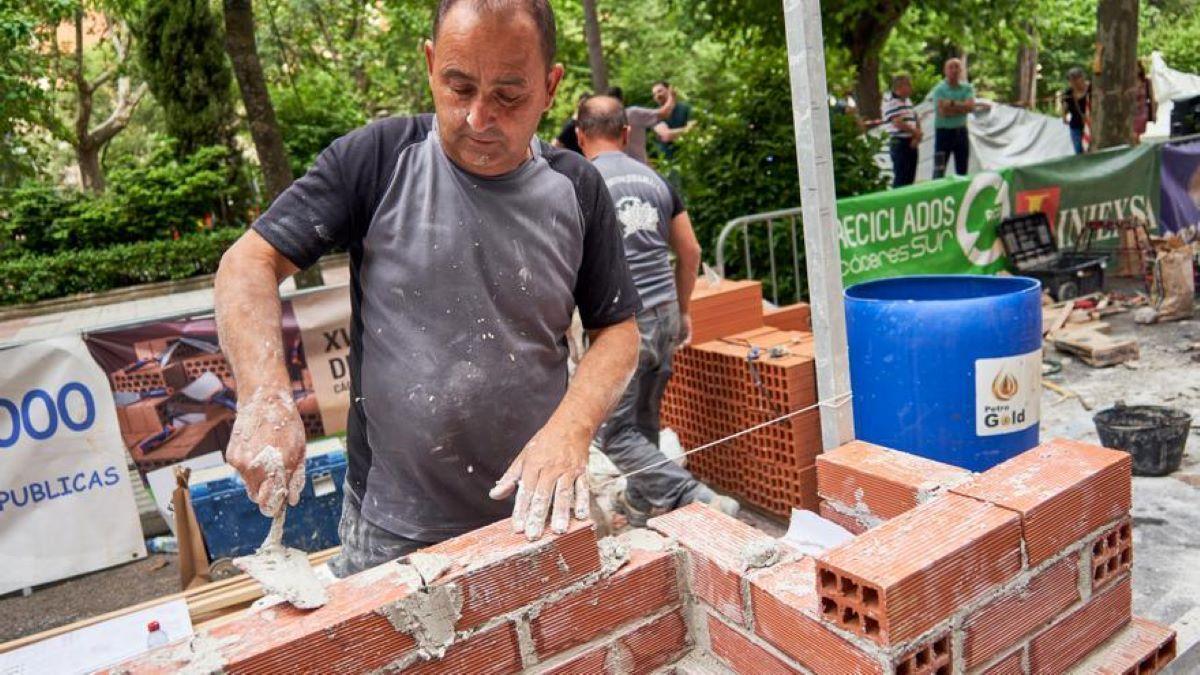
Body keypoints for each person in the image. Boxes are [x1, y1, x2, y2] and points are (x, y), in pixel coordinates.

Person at [213, 0, 642, 578]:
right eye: (458, 87)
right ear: (431, 64)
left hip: (538, 509)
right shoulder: (377, 161)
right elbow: (248, 264)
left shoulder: (576, 187)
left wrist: (572, 429)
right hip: (392, 525)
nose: (478, 118)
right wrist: (264, 395)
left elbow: (617, 329)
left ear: (549, 86)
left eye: (509, 96)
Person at [574, 95, 738, 525]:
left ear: (579, 135)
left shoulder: (580, 182)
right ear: (627, 133)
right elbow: (691, 250)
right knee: (642, 420)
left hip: (623, 323)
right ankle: (643, 504)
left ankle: (692, 496)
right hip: (664, 312)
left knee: (610, 429)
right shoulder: (655, 179)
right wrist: (683, 312)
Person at [931, 58, 976, 178]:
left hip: (961, 132)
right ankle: (936, 192)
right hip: (943, 133)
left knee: (962, 168)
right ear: (945, 71)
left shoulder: (967, 88)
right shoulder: (939, 90)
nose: (954, 70)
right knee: (939, 169)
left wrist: (950, 103)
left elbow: (971, 107)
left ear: (961, 70)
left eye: (957, 67)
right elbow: (942, 112)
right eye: (951, 67)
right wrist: (962, 107)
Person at [613, 85, 676, 164]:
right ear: (622, 98)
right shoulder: (632, 114)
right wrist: (672, 96)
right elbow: (663, 113)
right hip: (637, 165)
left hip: (618, 166)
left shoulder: (604, 122)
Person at [883, 74, 921, 187]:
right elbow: (898, 122)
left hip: (911, 142)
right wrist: (915, 132)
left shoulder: (908, 101)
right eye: (908, 84)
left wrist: (917, 136)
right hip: (899, 142)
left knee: (910, 176)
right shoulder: (890, 102)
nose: (911, 87)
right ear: (900, 87)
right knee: (901, 176)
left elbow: (915, 117)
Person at [650, 80, 695, 161]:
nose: (657, 95)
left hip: (689, 157)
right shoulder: (655, 115)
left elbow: (694, 132)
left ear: (669, 90)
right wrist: (686, 130)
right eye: (654, 94)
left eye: (660, 91)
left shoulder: (686, 108)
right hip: (669, 162)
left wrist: (675, 133)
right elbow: (666, 136)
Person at [1062, 67, 1090, 154]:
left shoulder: (1092, 88)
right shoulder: (1068, 93)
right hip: (1076, 125)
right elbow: (1065, 106)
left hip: (1092, 124)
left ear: (1082, 77)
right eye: (1071, 80)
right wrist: (1064, 116)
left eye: (1077, 78)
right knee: (1079, 150)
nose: (1075, 83)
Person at [1133, 61, 1156, 144]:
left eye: (1136, 67)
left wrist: (1153, 113)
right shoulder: (1128, 82)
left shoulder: (1146, 81)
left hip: (1142, 112)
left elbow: (1152, 98)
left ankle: (1137, 151)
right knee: (1134, 137)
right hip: (1131, 112)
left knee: (1134, 135)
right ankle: (1138, 150)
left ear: (1140, 69)